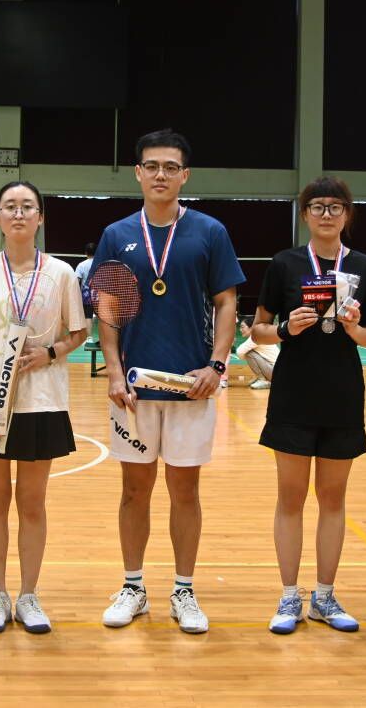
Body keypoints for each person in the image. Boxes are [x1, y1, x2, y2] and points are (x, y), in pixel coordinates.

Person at [94, 129, 244, 635]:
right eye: (152, 166)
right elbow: (108, 308)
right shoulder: (117, 234)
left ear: (185, 175)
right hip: (133, 392)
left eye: (171, 167)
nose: (161, 174)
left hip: (190, 386)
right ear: (138, 173)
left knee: (185, 491)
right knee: (134, 491)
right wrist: (114, 371)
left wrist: (216, 366)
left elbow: (227, 302)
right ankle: (133, 587)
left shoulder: (209, 232)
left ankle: (183, 590)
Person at [251, 175, 366, 635]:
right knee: (290, 498)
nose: (327, 214)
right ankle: (290, 595)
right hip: (293, 394)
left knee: (332, 498)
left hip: (342, 395)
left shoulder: (365, 267)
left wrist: (353, 328)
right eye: (318, 206)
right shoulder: (285, 264)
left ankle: (324, 596)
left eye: (335, 206)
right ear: (305, 214)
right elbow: (258, 329)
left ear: (347, 214)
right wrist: (286, 328)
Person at [0, 181, 87, 635]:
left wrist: (49, 353)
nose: (18, 213)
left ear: (40, 217)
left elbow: (78, 332)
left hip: (41, 404)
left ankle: (29, 595)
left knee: (32, 504)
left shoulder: (62, 273)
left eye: (28, 206)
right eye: (10, 206)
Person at [236, 317, 278, 390]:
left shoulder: (255, 337)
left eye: (242, 327)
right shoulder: (259, 335)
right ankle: (262, 379)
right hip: (276, 372)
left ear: (251, 328)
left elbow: (239, 352)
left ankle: (263, 380)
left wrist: (245, 356)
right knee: (249, 353)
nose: (240, 330)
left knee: (249, 353)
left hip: (275, 373)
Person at [74, 242, 97, 343]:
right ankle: (104, 340)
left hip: (87, 294)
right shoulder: (101, 263)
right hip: (100, 293)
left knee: (88, 316)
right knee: (103, 317)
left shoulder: (81, 265)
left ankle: (89, 338)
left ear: (86, 253)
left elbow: (76, 280)